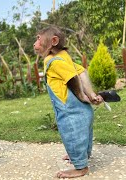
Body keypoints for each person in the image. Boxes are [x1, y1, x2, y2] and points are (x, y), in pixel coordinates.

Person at [33, 26, 103, 178]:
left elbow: (72, 78)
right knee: (83, 135)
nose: (35, 43)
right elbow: (81, 71)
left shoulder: (52, 60)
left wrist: (82, 96)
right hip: (83, 110)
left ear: (53, 41)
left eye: (38, 38)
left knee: (72, 135)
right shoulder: (65, 56)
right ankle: (82, 156)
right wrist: (91, 94)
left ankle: (81, 167)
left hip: (71, 111)